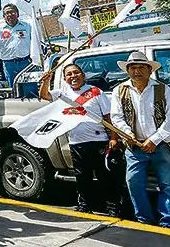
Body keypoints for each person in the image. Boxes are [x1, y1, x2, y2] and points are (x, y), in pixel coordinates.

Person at [109, 51, 170, 229]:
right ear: (127, 71)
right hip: (135, 146)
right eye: (133, 68)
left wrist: (155, 140)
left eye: (141, 67)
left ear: (150, 70)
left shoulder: (162, 89)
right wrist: (128, 133)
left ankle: (169, 222)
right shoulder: (119, 90)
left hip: (165, 144)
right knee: (133, 182)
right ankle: (144, 220)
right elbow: (116, 118)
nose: (137, 71)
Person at [39, 63, 119, 215]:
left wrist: (114, 137)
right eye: (69, 74)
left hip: (99, 141)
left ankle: (112, 208)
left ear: (83, 75)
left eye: (76, 72)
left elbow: (108, 116)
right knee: (82, 178)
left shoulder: (95, 92)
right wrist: (46, 80)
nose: (73, 76)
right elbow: (45, 96)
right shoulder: (63, 93)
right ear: (65, 79)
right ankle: (84, 206)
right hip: (77, 143)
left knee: (106, 178)